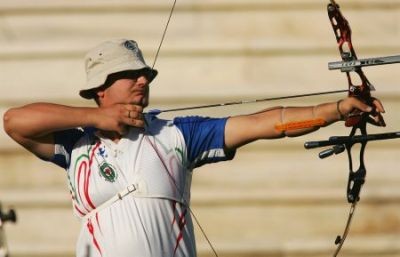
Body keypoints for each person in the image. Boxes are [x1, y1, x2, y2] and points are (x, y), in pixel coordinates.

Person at [3, 39, 385, 257]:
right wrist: (99, 119)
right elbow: (14, 121)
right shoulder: (76, 145)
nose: (141, 79)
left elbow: (264, 123)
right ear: (100, 89)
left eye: (144, 74)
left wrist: (335, 110)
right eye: (127, 75)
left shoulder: (174, 134)